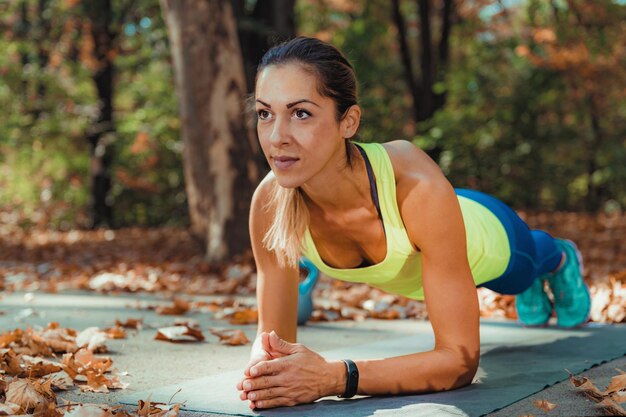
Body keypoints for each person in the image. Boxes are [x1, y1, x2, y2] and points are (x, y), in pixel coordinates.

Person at [236, 36, 591, 410]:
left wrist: (335, 376)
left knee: (523, 271)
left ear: (349, 121)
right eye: (265, 113)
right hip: (437, 233)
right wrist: (268, 372)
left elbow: (459, 360)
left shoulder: (415, 185)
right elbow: (272, 343)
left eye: (301, 113)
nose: (276, 137)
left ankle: (559, 258)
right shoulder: (270, 203)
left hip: (488, 235)